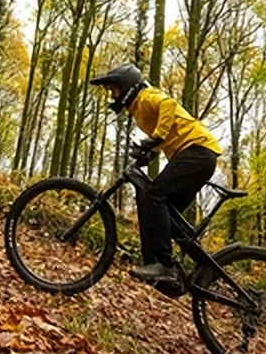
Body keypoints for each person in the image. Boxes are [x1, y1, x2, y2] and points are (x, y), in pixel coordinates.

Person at [88, 63, 221, 284]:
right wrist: (150, 152)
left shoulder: (146, 97)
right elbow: (169, 131)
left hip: (197, 151)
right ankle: (205, 265)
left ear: (127, 87)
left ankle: (165, 266)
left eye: (114, 90)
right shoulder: (139, 112)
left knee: (154, 195)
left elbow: (168, 105)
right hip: (199, 155)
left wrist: (155, 138)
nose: (112, 95)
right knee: (166, 215)